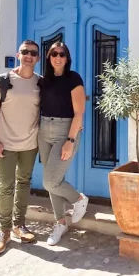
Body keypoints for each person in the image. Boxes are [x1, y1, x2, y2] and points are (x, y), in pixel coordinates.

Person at [0, 40, 42, 256]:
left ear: (37, 57)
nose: (29, 55)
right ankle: (4, 231)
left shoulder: (41, 83)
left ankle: (19, 225)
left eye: (33, 53)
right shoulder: (2, 81)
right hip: (6, 145)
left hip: (30, 144)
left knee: (24, 183)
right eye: (25, 52)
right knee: (5, 186)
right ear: (18, 55)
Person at [38, 41, 89, 246]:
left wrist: (70, 140)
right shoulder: (44, 81)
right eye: (53, 54)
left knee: (50, 181)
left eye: (62, 54)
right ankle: (60, 223)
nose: (58, 57)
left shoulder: (73, 78)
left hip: (65, 130)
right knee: (53, 179)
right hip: (44, 130)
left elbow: (79, 112)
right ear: (49, 58)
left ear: (67, 58)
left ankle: (78, 200)